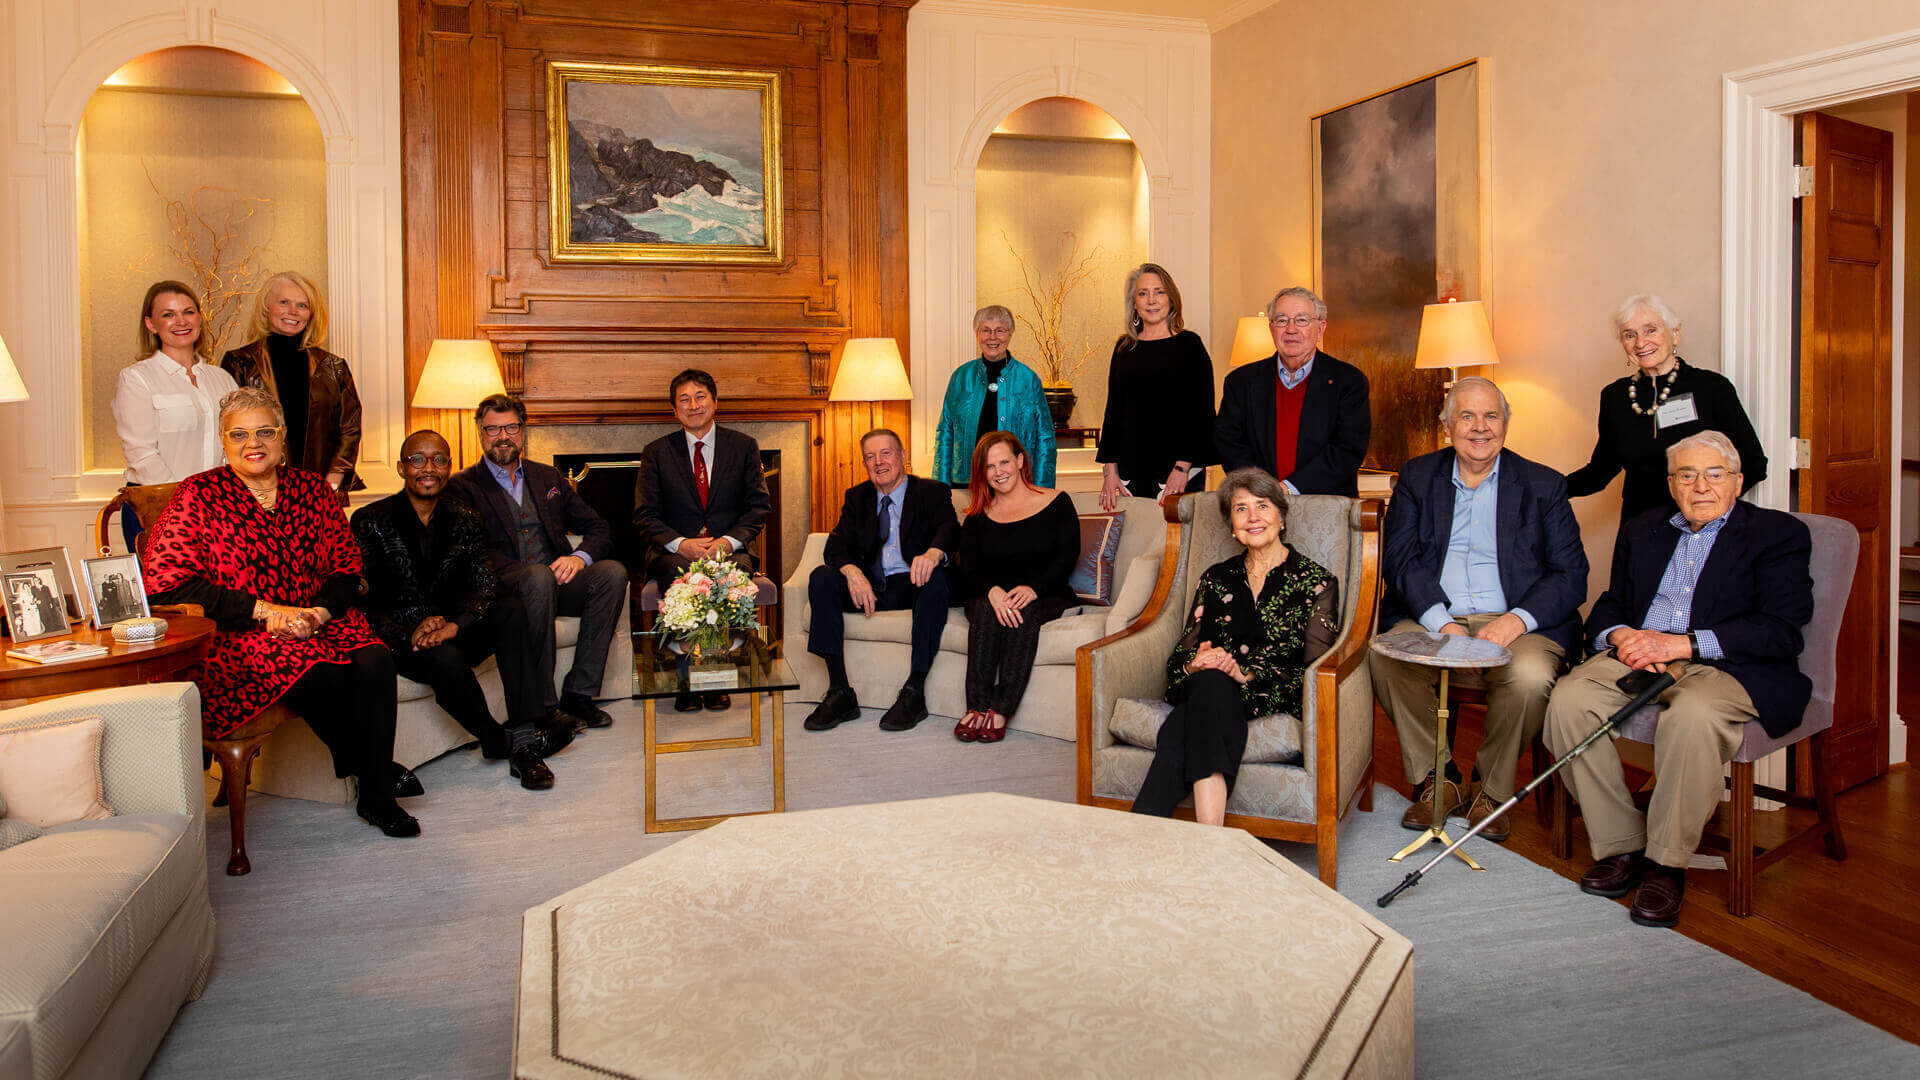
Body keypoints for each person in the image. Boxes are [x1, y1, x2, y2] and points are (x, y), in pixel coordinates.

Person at [1546, 431, 1813, 929]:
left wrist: (1681, 645)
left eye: (1714, 474)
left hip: (1729, 663)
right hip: (1643, 653)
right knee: (1567, 700)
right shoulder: (1644, 529)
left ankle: (1665, 864)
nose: (1701, 486)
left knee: (1691, 715)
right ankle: (1622, 845)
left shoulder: (1777, 534)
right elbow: (1612, 601)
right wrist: (1622, 635)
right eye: (1687, 475)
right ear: (1671, 485)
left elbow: (1780, 629)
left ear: (1737, 482)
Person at [141, 387, 419, 838]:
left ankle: (373, 793)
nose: (253, 443)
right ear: (222, 440)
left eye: (264, 431)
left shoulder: (313, 490)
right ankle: (377, 780)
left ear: (283, 435)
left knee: (376, 659)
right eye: (239, 434)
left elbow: (346, 568)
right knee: (317, 671)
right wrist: (266, 611)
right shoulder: (198, 495)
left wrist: (318, 614)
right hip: (241, 632)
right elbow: (167, 582)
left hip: (317, 619)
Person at [1369, 377, 1589, 841]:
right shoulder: (1418, 476)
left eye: (1491, 416)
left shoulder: (1544, 484)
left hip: (1517, 620)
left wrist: (1514, 622)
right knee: (1385, 657)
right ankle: (1441, 778)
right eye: (1466, 416)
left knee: (1529, 677)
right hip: (1434, 613)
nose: (1480, 427)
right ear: (1447, 426)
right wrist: (1443, 624)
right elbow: (1401, 559)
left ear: (1506, 424)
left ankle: (1492, 790)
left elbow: (1571, 575)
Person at [353, 430, 572, 791]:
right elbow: (361, 602)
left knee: (509, 609)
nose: (429, 468)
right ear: (402, 468)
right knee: (445, 659)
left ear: (449, 468)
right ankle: (494, 739)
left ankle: (524, 742)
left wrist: (457, 624)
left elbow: (485, 583)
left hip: (453, 625)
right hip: (405, 638)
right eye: (418, 459)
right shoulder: (371, 520)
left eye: (438, 459)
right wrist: (411, 631)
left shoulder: (465, 518)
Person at [1130, 468, 1340, 824]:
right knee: (1210, 683)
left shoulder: (1317, 583)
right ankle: (1211, 838)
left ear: (1281, 517)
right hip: (1208, 687)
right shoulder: (1216, 578)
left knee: (1188, 718)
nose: (1253, 517)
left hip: (1269, 695)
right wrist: (1196, 663)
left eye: (1263, 506)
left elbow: (1314, 672)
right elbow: (1181, 658)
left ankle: (1144, 828)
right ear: (1231, 525)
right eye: (1241, 509)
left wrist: (1245, 675)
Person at [444, 393, 628, 733]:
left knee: (612, 574)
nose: (503, 437)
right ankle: (543, 706)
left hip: (555, 581)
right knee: (538, 578)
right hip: (504, 590)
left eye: (511, 427)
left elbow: (599, 526)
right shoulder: (462, 486)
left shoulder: (548, 477)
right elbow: (469, 552)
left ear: (523, 430)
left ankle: (579, 694)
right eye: (493, 429)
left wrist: (578, 557)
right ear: (480, 433)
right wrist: (533, 574)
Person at [1565, 294, 1767, 539]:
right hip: (1640, 530)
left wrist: (1709, 506)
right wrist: (1545, 487)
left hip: (1703, 528)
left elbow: (1754, 464)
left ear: (1675, 334)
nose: (1641, 342)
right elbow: (1600, 471)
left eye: (1650, 330)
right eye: (1629, 335)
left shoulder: (1711, 388)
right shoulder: (1615, 396)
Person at [633, 369, 773, 712]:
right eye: (684, 399)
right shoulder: (656, 452)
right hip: (675, 552)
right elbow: (645, 514)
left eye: (700, 397)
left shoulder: (743, 446)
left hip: (730, 550)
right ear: (674, 409)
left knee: (729, 575)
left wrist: (728, 541)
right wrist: (681, 544)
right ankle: (685, 678)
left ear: (715, 402)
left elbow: (758, 507)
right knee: (679, 574)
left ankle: (714, 674)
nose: (693, 405)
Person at [803, 428, 957, 734]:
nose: (878, 462)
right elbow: (835, 548)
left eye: (886, 453)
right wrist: (853, 572)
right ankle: (839, 691)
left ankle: (914, 691)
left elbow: (949, 528)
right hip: (871, 587)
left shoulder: (931, 491)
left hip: (914, 582)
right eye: (870, 457)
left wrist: (933, 553)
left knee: (936, 579)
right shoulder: (857, 497)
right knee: (822, 577)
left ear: (903, 456)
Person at [948, 431, 1079, 743]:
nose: (998, 472)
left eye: (1004, 462)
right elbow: (968, 568)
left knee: (1023, 609)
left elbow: (1066, 557)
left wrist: (1033, 588)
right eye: (989, 466)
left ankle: (1000, 708)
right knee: (984, 607)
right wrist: (992, 591)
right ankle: (976, 706)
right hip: (989, 595)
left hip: (1044, 594)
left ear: (1020, 461)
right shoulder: (977, 516)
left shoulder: (1057, 502)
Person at [111, 280, 241, 550]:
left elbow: (235, 446)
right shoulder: (137, 378)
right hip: (156, 510)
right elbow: (141, 454)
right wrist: (189, 507)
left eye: (188, 312)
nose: (181, 321)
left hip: (217, 513)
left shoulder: (222, 379)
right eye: (168, 314)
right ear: (151, 324)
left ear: (200, 317)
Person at [221, 271, 365, 499]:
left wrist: (331, 484)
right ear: (267, 307)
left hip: (319, 492)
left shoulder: (333, 366)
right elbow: (231, 430)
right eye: (284, 302)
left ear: (311, 313)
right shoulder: (240, 362)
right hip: (258, 492)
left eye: (302, 305)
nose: (293, 311)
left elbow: (350, 428)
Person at [1214, 286, 1371, 496]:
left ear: (1320, 329)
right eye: (1281, 320)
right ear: (1271, 329)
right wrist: (1266, 490)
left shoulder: (1349, 382)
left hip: (1326, 506)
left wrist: (1288, 488)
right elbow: (1229, 444)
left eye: (1302, 320)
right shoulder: (1240, 382)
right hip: (1259, 503)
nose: (1291, 329)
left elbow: (1348, 449)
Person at [1097, 263, 1216, 509]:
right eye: (1143, 294)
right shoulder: (1124, 348)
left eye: (1159, 292)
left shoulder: (1190, 345)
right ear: (1134, 303)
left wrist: (1182, 468)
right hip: (1129, 470)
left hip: (1179, 470)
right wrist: (1110, 472)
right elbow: (1113, 412)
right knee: (1133, 533)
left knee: (1176, 533)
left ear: (1171, 299)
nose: (1151, 300)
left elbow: (1201, 413)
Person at [932, 306, 1056, 489]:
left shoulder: (1028, 380)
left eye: (1000, 330)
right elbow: (945, 432)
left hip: (1014, 484)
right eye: (986, 330)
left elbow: (1045, 437)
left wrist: (1042, 490)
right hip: (967, 483)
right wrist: (940, 488)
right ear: (977, 334)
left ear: (1010, 334)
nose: (992, 337)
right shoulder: (961, 377)